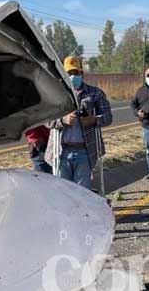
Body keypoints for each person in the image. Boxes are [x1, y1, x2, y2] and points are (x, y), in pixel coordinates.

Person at [45, 55, 112, 190]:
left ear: (82, 73)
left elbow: (108, 117)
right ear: (63, 74)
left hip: (84, 151)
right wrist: (63, 120)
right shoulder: (55, 94)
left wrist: (93, 120)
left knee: (82, 192)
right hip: (61, 151)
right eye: (69, 73)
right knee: (63, 192)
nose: (73, 76)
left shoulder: (95, 93)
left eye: (76, 73)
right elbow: (46, 120)